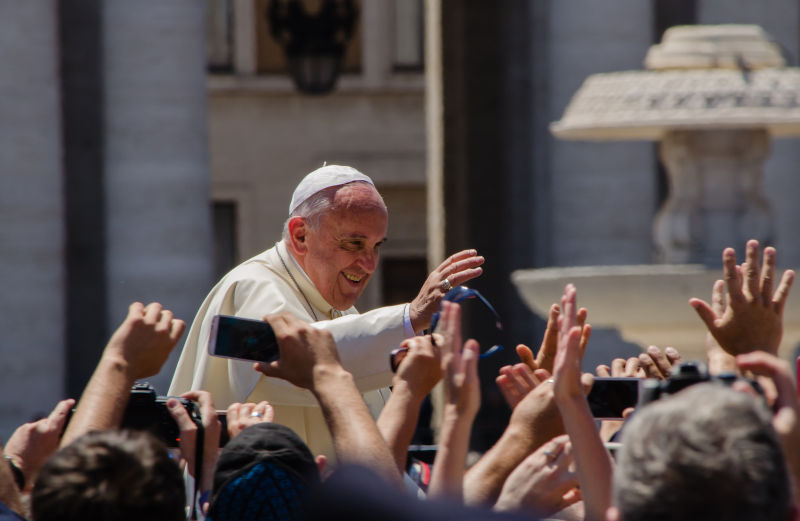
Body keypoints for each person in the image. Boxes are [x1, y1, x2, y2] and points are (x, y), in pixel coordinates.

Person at [169, 164, 484, 456]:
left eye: (377, 246)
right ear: (300, 235)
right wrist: (410, 317)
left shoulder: (345, 316)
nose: (369, 264)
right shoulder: (252, 285)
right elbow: (296, 360)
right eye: (354, 243)